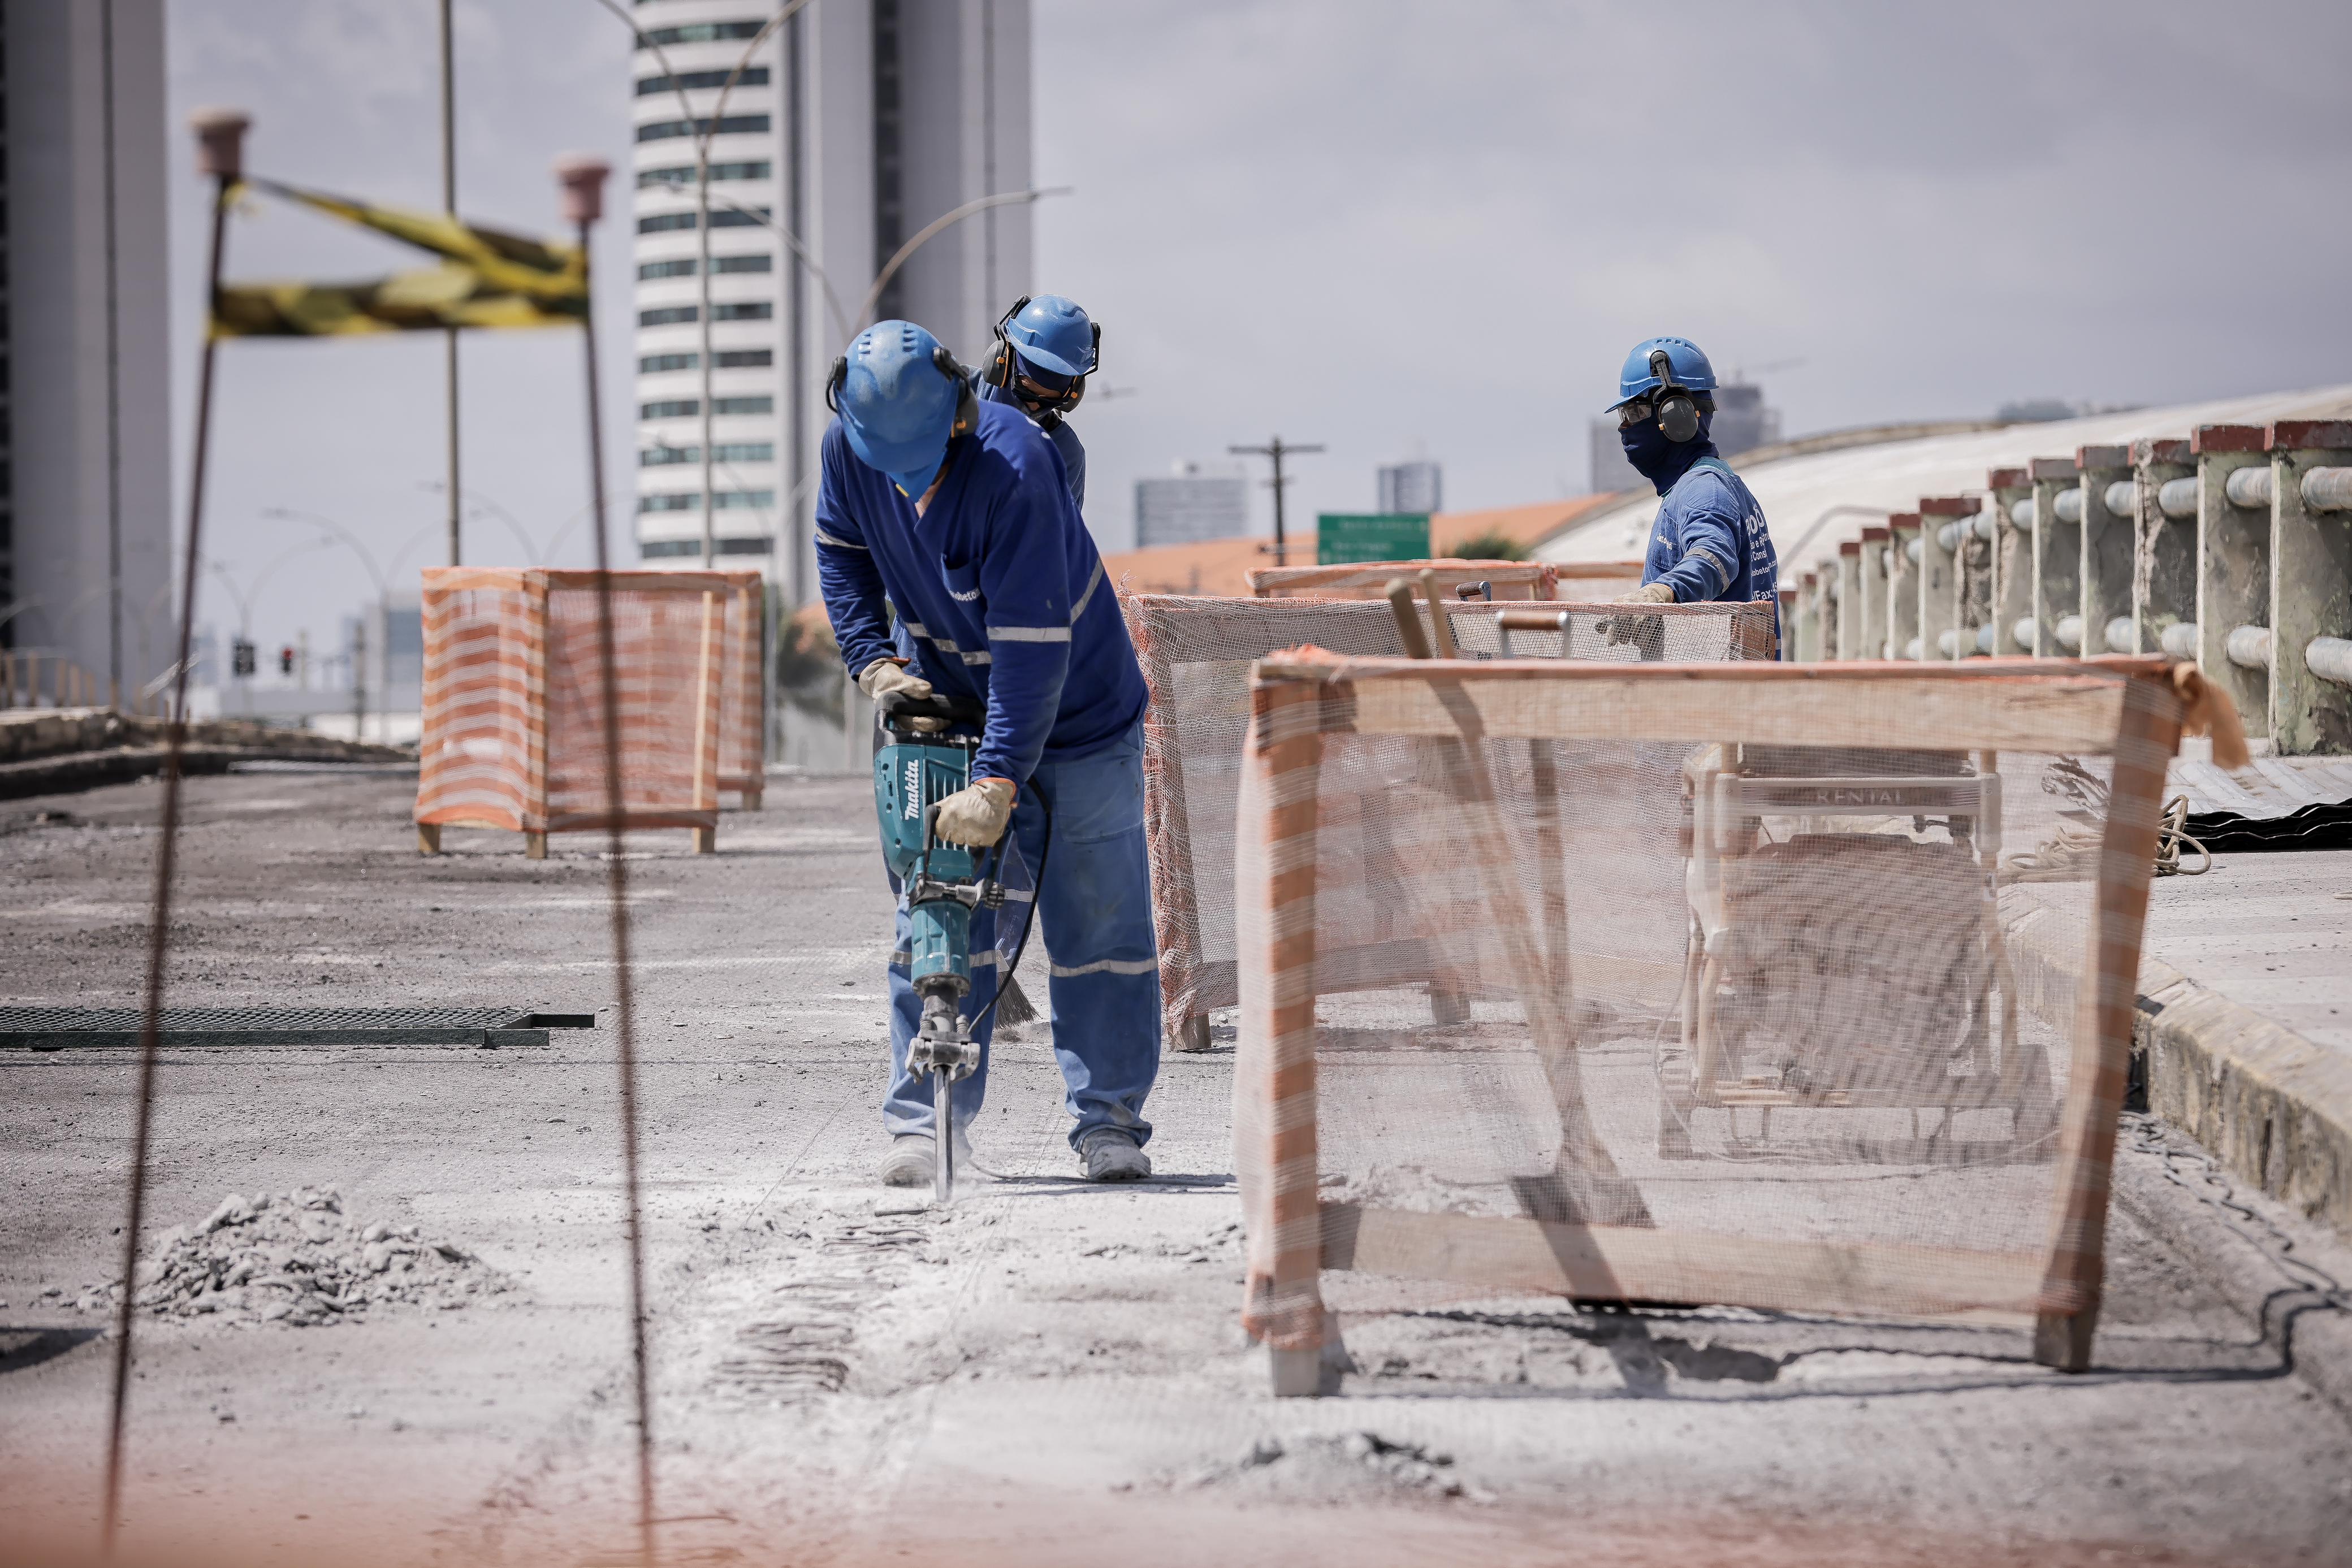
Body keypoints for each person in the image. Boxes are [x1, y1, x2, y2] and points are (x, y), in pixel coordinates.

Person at [815, 319, 1158, 1188]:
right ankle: (925, 1124)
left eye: (922, 464)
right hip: (947, 706)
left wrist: (1000, 779)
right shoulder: (851, 449)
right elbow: (841, 552)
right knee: (937, 911)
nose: (908, 482)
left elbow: (1034, 648)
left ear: (961, 417)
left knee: (1099, 926)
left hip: (1077, 711)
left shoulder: (1020, 467)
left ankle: (1108, 1120)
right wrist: (872, 659)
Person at [1606, 336, 1780, 643]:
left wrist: (1663, 593)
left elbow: (1713, 556)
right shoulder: (1705, 485)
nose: (1625, 428)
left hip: (1715, 687)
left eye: (1633, 414)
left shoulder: (1704, 490)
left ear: (1675, 416)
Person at [974, 293, 1099, 508]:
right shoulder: (950, 395)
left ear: (1073, 390)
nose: (1034, 405)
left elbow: (1057, 537)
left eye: (1050, 397)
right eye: (1027, 386)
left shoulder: (1065, 455)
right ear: (1003, 360)